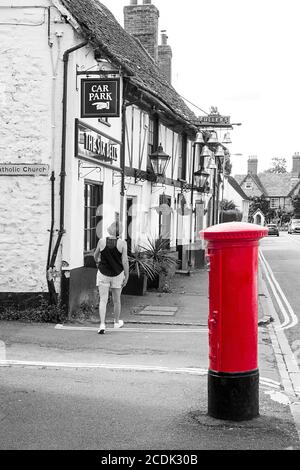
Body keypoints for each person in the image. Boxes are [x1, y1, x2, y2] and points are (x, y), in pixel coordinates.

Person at [94, 221, 129, 334]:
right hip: (117, 274)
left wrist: (98, 261)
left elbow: (95, 255)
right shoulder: (123, 243)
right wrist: (127, 275)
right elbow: (125, 261)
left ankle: (102, 325)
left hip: (103, 273)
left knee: (103, 300)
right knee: (116, 300)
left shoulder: (102, 241)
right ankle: (116, 322)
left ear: (111, 229)